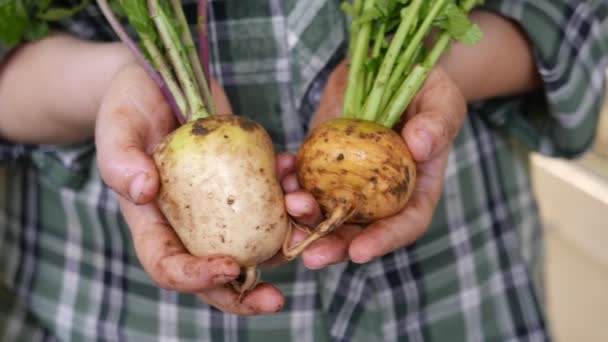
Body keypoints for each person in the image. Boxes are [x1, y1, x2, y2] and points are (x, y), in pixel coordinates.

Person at [0, 0, 606, 340]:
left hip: (457, 297)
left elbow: (579, 18)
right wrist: (113, 83)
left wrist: (433, 72)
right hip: (110, 309)